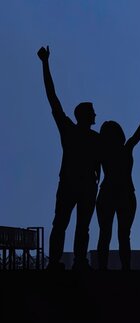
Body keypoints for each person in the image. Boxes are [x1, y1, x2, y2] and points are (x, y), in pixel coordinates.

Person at [37, 46, 101, 270]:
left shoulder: (86, 135)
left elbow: (99, 162)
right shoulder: (72, 131)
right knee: (68, 224)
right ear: (84, 115)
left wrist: (96, 178)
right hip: (75, 184)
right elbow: (52, 97)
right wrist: (45, 64)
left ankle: (70, 261)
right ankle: (67, 261)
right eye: (92, 111)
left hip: (79, 184)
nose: (95, 114)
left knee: (73, 225)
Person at [96, 94, 140, 270]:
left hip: (109, 193)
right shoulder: (126, 149)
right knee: (123, 235)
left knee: (105, 234)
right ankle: (125, 269)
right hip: (125, 194)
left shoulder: (103, 151)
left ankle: (103, 268)